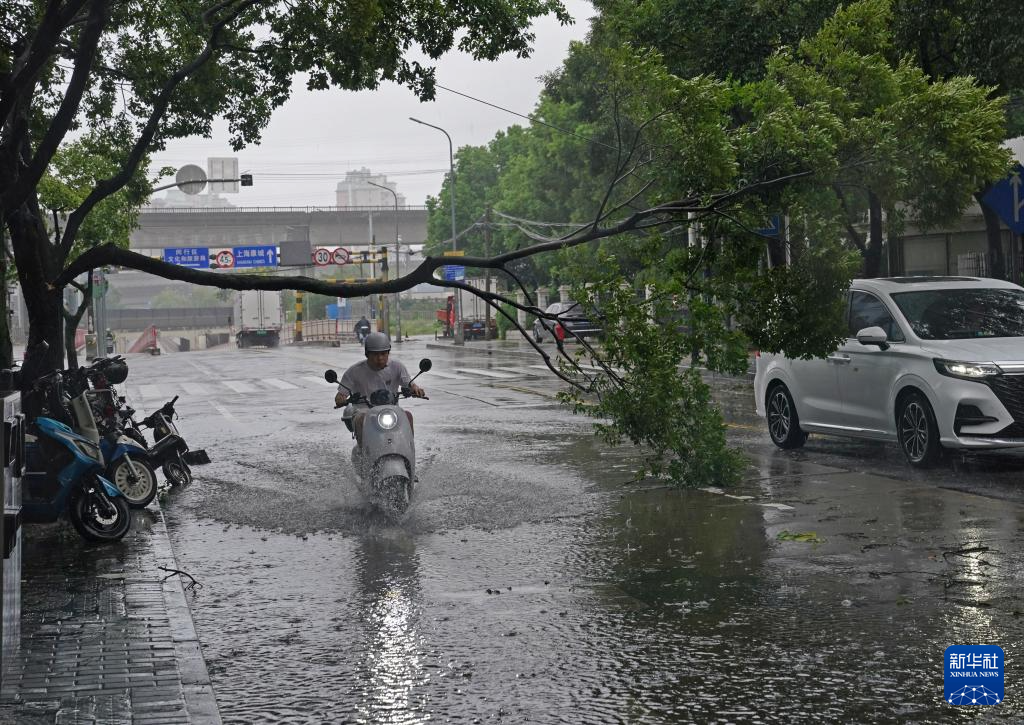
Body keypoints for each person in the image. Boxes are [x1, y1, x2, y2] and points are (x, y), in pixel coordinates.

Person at [334, 332, 425, 444]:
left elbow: (409, 384)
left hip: (391, 411)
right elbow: (341, 394)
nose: (380, 358)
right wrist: (341, 399)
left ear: (388, 353)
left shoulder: (397, 367)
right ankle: (364, 454)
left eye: (383, 354)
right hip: (363, 411)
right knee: (361, 420)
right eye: (375, 355)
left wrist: (415, 389)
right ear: (367, 354)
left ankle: (409, 449)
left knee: (408, 416)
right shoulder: (354, 371)